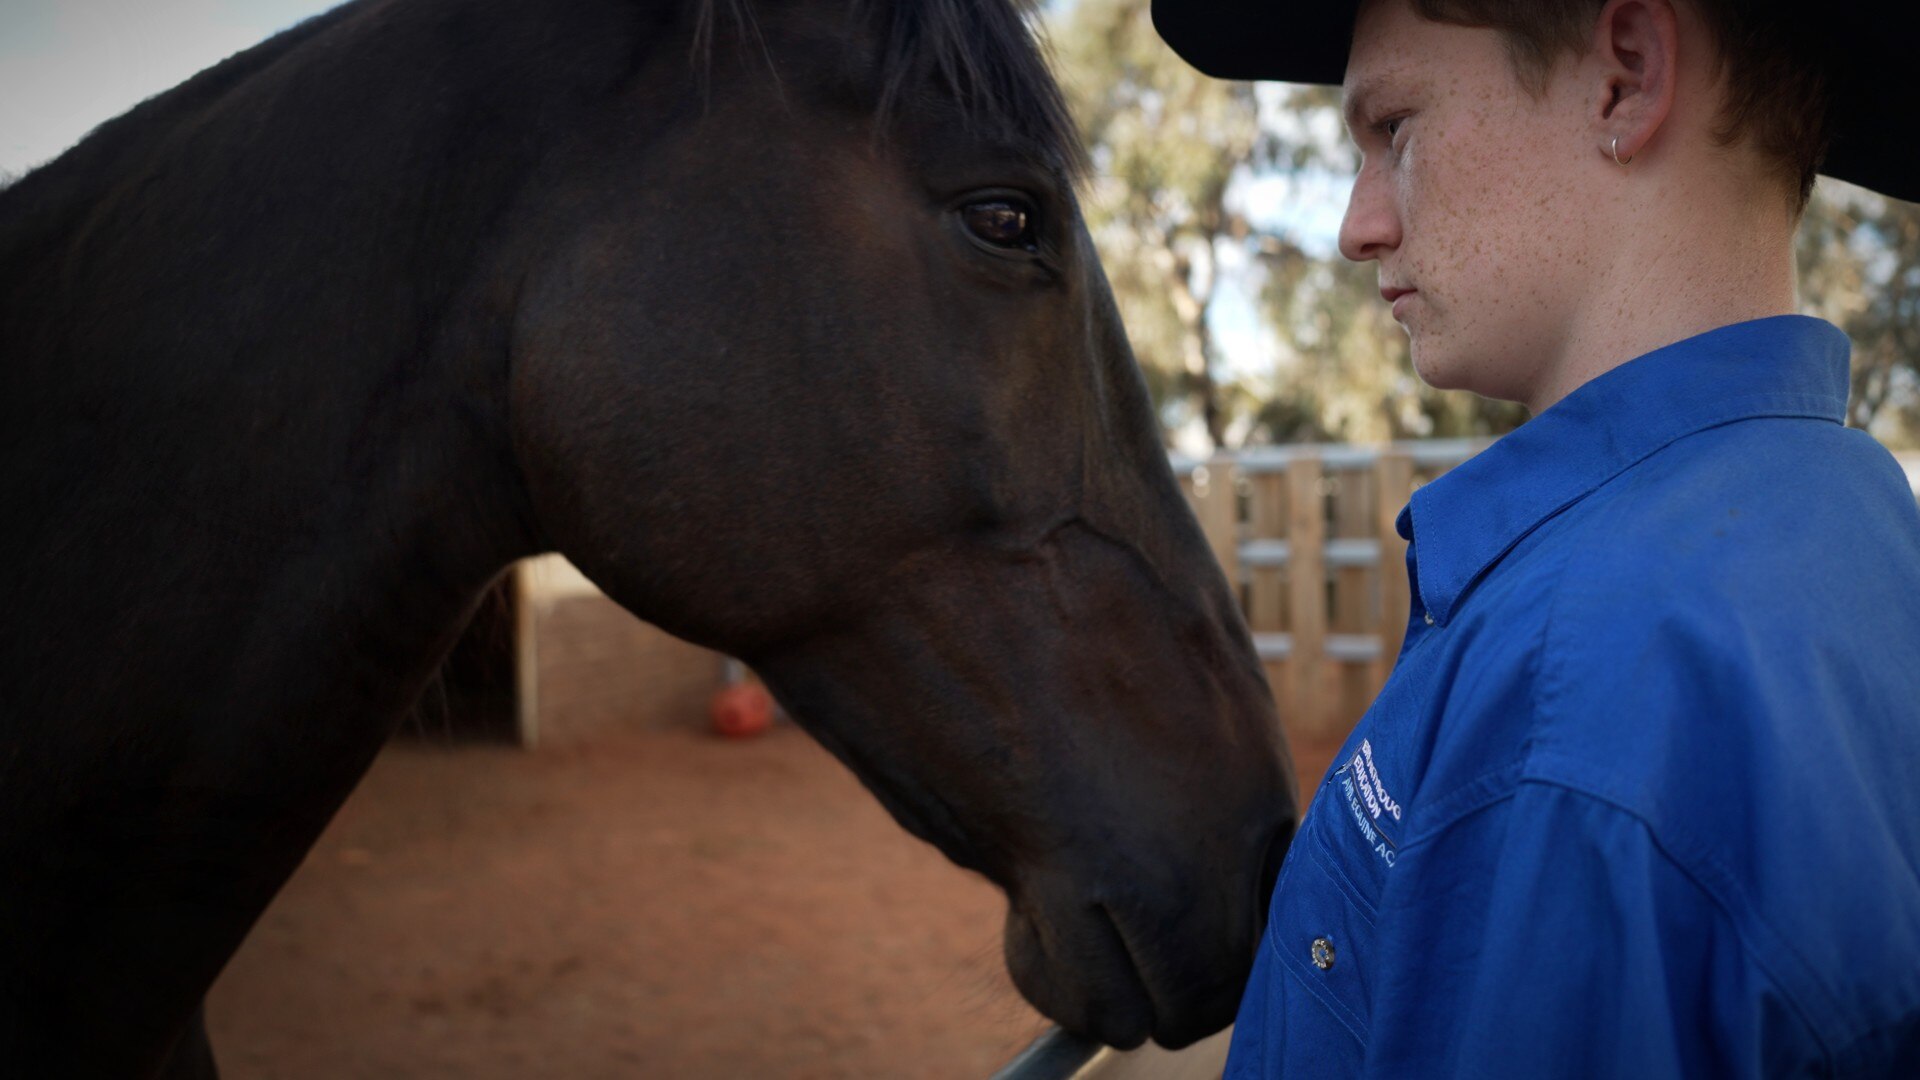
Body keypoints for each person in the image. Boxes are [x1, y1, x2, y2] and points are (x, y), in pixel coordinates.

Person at [1152, 1, 1920, 1075]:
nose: (1357, 224)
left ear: (1626, 77)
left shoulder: (1582, 694)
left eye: (1394, 129)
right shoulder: (1856, 521)